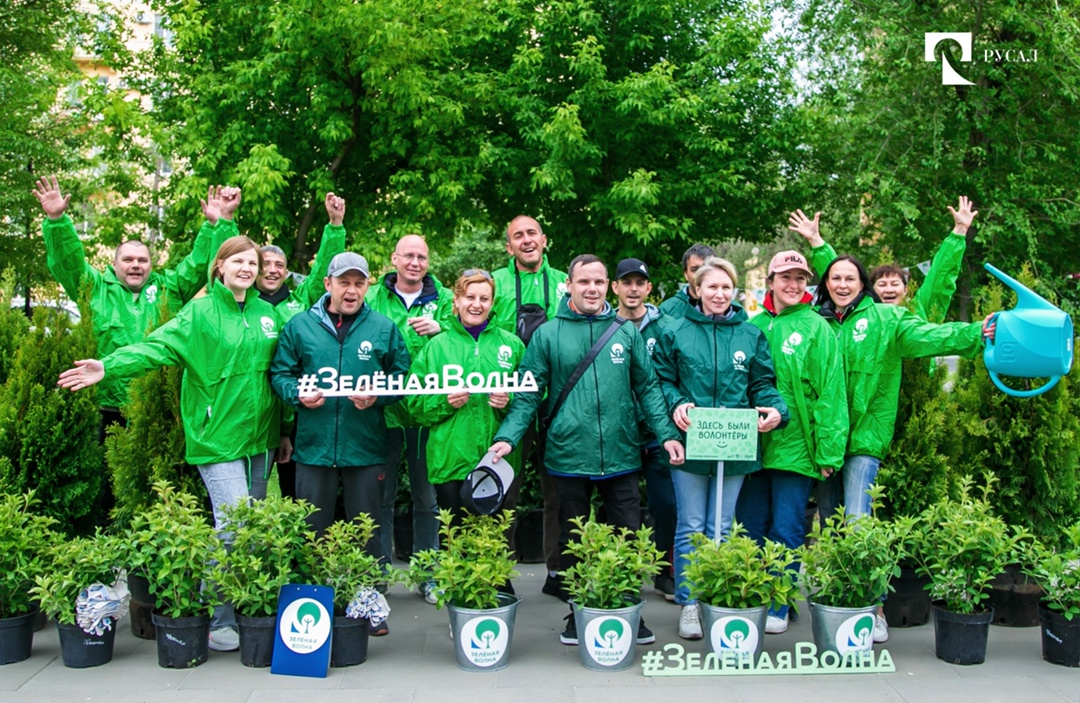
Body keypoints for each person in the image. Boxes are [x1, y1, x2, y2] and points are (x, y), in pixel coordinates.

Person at [59, 235, 287, 654]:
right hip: (216, 437)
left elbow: (279, 372)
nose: (247, 269)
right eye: (237, 261)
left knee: (252, 528)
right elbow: (155, 347)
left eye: (252, 263)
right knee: (234, 526)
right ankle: (218, 616)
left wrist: (284, 430)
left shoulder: (265, 313)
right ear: (219, 267)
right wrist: (107, 366)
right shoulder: (198, 313)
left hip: (262, 440)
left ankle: (242, 606)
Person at [488, 254, 685, 647]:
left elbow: (647, 388)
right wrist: (509, 435)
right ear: (570, 286)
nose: (591, 288)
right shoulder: (548, 334)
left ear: (606, 285)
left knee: (626, 536)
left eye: (598, 281)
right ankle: (578, 613)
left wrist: (666, 434)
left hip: (621, 453)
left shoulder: (625, 332)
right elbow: (528, 393)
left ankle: (629, 608)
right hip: (567, 455)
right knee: (572, 541)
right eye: (584, 282)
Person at [269, 252, 410, 634]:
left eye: (359, 283)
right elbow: (280, 373)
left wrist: (377, 396)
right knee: (314, 527)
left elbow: (401, 377)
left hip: (364, 444)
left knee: (366, 528)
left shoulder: (383, 328)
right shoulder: (300, 327)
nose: (351, 290)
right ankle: (314, 609)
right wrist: (298, 394)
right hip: (313, 447)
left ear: (367, 286)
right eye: (344, 282)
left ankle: (367, 605)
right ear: (328, 284)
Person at [651, 256, 788, 641]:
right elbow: (660, 379)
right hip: (691, 441)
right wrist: (677, 401)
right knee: (692, 525)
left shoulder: (749, 334)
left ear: (735, 291)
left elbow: (763, 383)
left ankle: (717, 597)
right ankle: (690, 603)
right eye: (711, 287)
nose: (719, 293)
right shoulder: (674, 330)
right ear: (697, 290)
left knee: (724, 526)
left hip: (735, 442)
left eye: (726, 287)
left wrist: (776, 410)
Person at [34, 175, 236, 429]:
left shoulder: (170, 288)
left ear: (152, 265)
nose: (136, 265)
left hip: (159, 405)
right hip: (106, 407)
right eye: (128, 259)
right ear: (114, 264)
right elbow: (68, 262)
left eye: (142, 260)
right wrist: (56, 222)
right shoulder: (93, 288)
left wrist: (214, 225)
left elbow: (199, 265)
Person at [737, 250, 848, 635]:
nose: (793, 284)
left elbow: (831, 392)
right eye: (785, 277)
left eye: (801, 278)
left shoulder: (817, 327)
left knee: (786, 528)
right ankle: (753, 594)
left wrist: (828, 450)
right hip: (749, 449)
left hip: (796, 447)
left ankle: (781, 602)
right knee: (750, 526)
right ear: (770, 282)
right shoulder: (752, 325)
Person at [364, 234, 452, 598]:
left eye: (422, 257)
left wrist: (442, 328)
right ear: (394, 259)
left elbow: (466, 332)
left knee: (426, 497)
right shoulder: (373, 297)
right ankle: (379, 575)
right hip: (383, 410)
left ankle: (427, 575)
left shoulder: (444, 299)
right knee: (379, 497)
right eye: (409, 256)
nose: (416, 263)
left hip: (426, 410)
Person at [490, 215, 569, 597]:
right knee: (505, 487)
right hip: (508, 401)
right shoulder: (495, 284)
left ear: (545, 239)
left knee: (559, 487)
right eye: (517, 236)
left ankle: (559, 572)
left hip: (557, 399)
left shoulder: (565, 284)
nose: (526, 240)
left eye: (531, 233)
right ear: (508, 247)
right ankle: (498, 573)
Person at [407, 270, 526, 519]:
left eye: (484, 298)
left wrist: (508, 401)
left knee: (495, 541)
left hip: (498, 461)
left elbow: (531, 400)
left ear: (492, 303)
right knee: (456, 541)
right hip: (450, 460)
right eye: (470, 297)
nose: (476, 304)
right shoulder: (435, 348)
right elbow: (414, 405)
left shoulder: (512, 345)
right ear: (457, 301)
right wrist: (445, 402)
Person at [255, 192, 348, 499]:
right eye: (265, 264)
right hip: (256, 409)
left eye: (279, 265)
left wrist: (335, 224)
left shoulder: (300, 303)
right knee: (247, 495)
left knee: (297, 494)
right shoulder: (243, 306)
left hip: (298, 409)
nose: (272, 270)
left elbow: (324, 269)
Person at [789, 196, 978, 322]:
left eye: (895, 283)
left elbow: (940, 277)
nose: (889, 289)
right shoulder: (862, 315)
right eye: (882, 284)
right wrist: (816, 241)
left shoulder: (920, 309)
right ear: (868, 289)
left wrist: (959, 232)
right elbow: (839, 274)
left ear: (906, 290)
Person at [611, 257, 676, 601]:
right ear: (615, 287)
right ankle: (621, 571)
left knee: (666, 504)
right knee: (620, 507)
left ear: (649, 288)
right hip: (617, 433)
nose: (633, 289)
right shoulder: (603, 326)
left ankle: (665, 570)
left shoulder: (666, 327)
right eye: (627, 282)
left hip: (655, 432)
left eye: (640, 283)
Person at [658, 243, 716, 319]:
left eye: (707, 269)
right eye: (695, 269)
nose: (701, 274)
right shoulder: (667, 311)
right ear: (685, 274)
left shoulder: (731, 311)